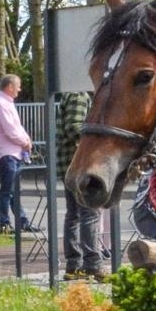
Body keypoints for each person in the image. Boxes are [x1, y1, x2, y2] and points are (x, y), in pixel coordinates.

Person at [55, 90, 104, 280]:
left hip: (69, 163)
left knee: (74, 215)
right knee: (90, 213)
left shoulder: (72, 94)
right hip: (80, 163)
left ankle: (73, 265)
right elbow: (74, 127)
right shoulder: (78, 95)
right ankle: (92, 264)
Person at [0, 74, 35, 235]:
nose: (20, 89)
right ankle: (4, 224)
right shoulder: (1, 104)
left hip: (12, 152)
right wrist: (25, 142)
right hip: (6, 153)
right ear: (9, 87)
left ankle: (22, 221)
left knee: (14, 191)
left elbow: (16, 127)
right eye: (18, 86)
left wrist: (26, 140)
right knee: (7, 190)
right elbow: (11, 130)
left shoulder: (7, 103)